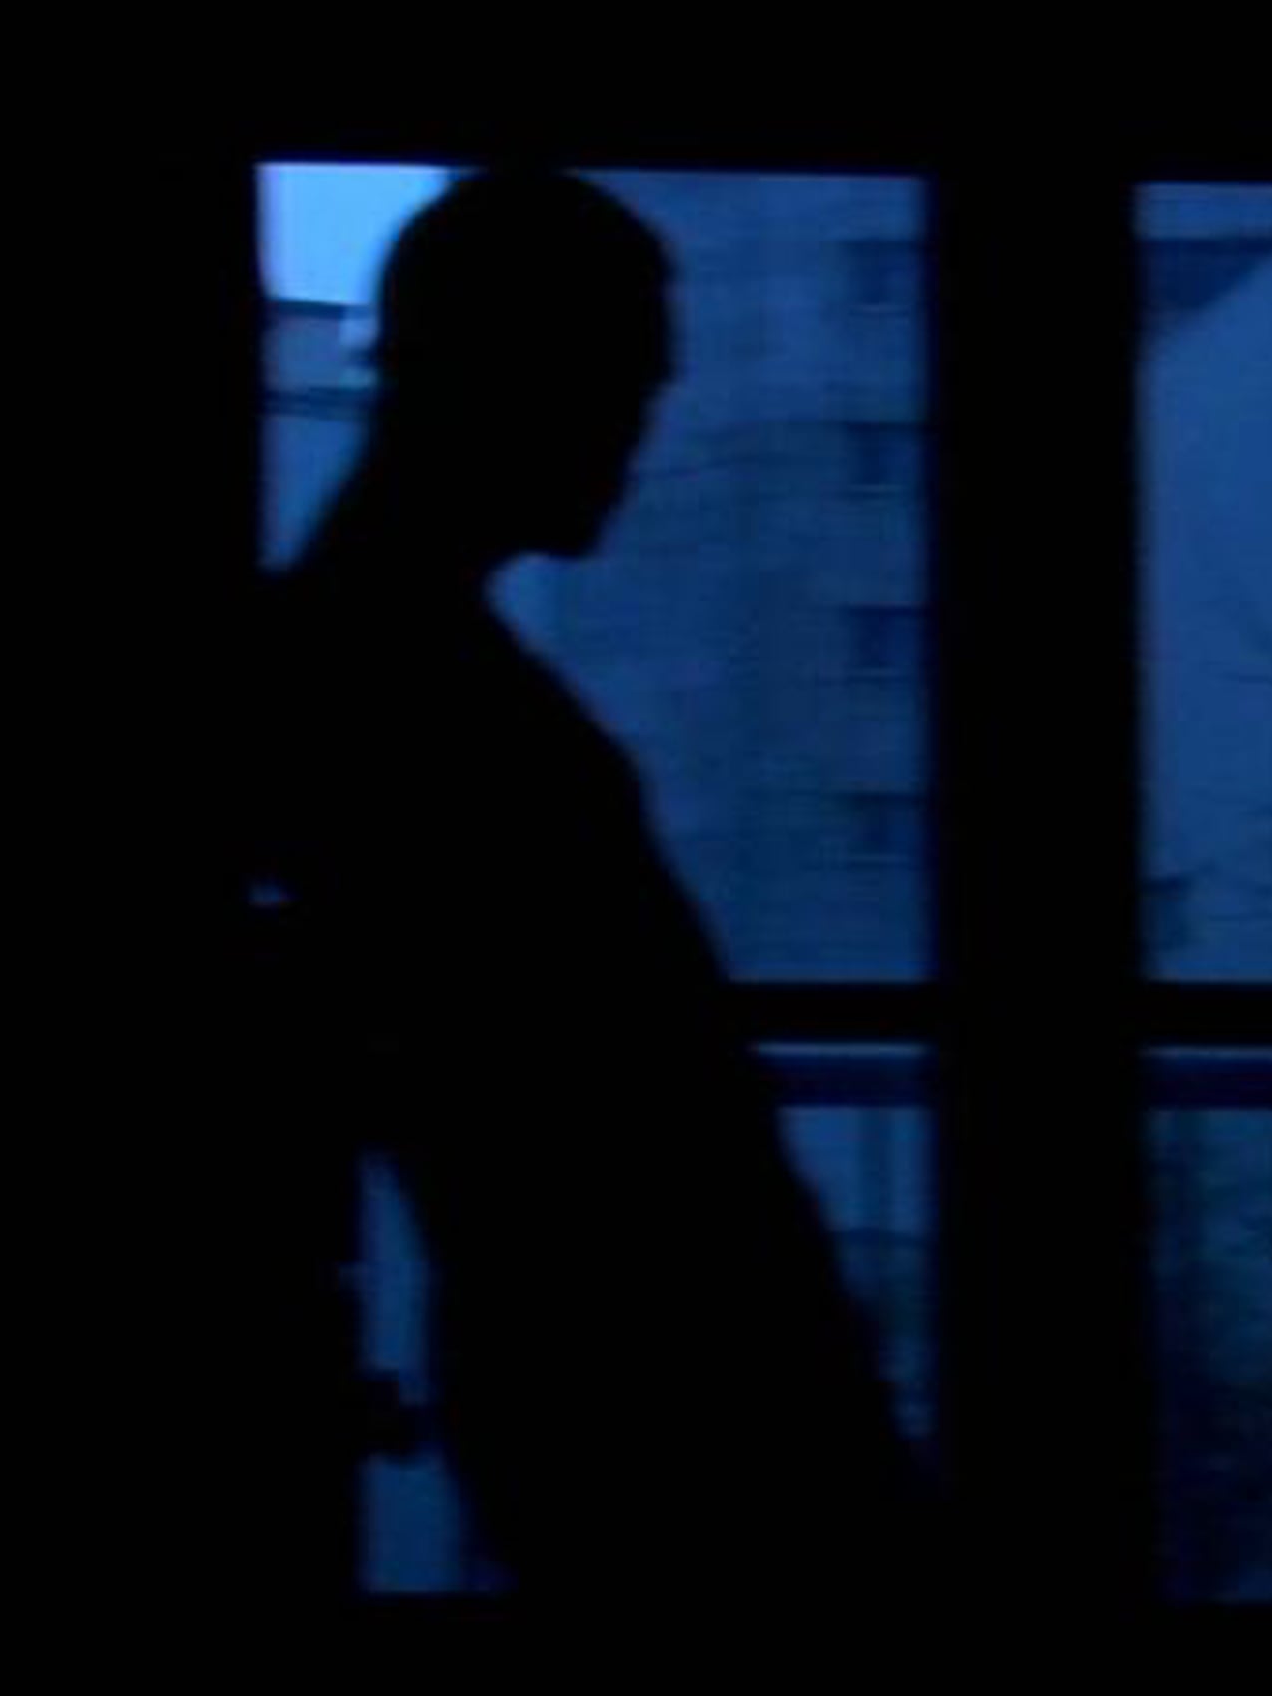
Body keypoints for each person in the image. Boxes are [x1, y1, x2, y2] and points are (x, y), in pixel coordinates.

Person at [260, 170, 927, 1601]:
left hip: (607, 1384)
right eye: (620, 385)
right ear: (513, 376)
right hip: (659, 1393)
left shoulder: (374, 669)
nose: (638, 432)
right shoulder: (430, 703)